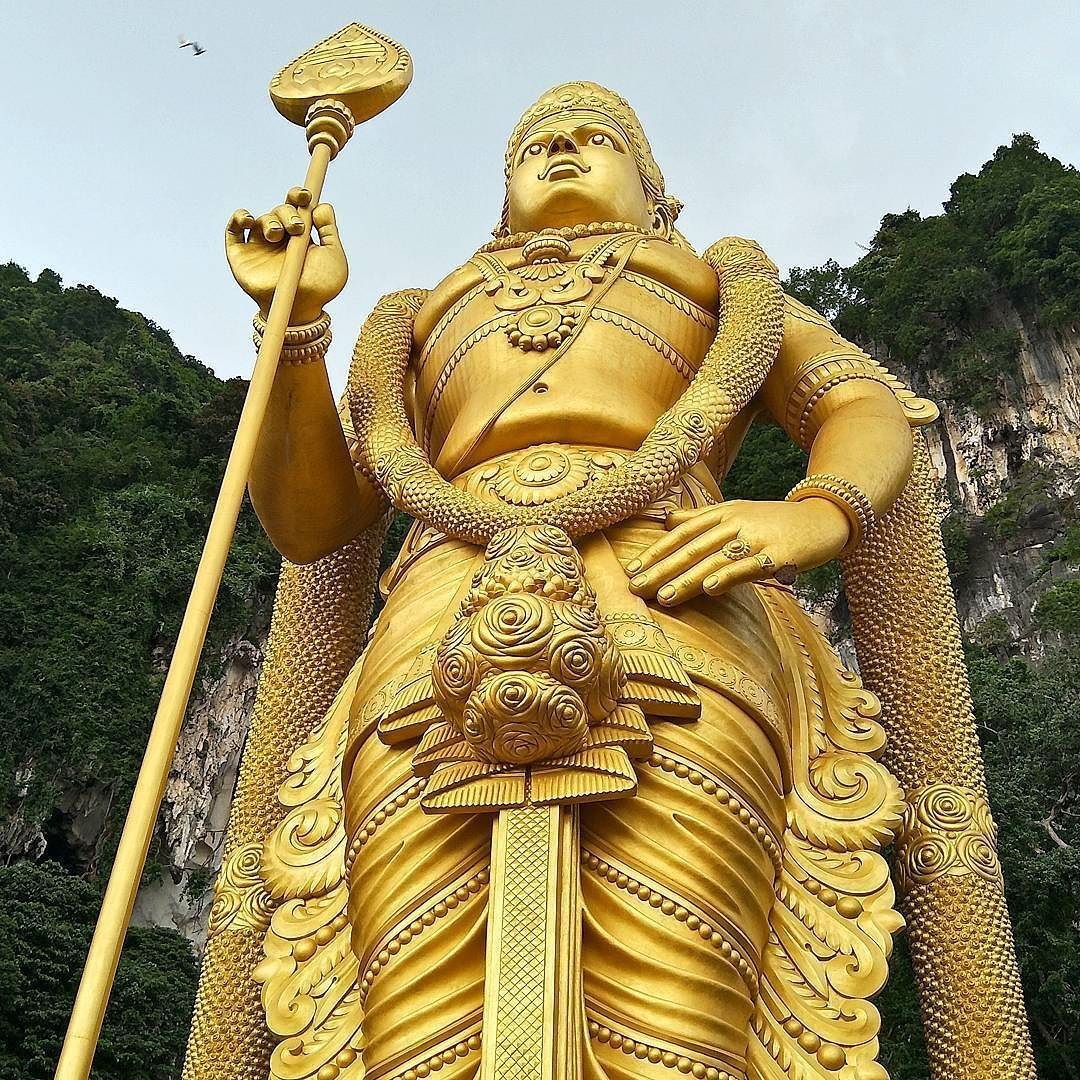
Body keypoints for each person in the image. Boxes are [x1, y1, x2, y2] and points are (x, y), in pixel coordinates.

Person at [203, 82, 1018, 1080]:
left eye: (597, 139)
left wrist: (814, 509)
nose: (561, 150)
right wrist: (293, 330)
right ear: (503, 193)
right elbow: (314, 519)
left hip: (672, 599)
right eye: (536, 143)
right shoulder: (419, 319)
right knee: (414, 1016)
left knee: (678, 991)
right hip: (438, 625)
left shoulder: (718, 287)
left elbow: (854, 401)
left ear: (654, 191)